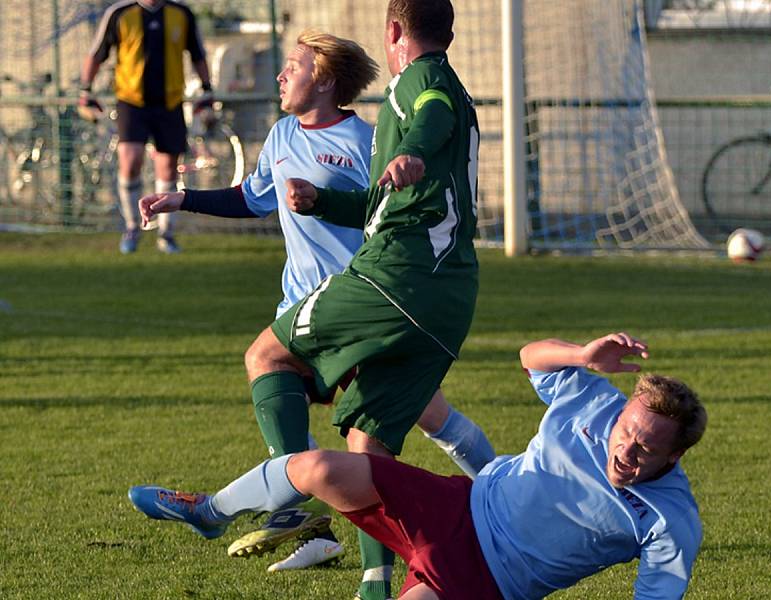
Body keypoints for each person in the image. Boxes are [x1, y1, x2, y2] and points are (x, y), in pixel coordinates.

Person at [137, 27, 493, 586]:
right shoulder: (281, 136)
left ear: (324, 80)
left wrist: (331, 200)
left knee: (415, 425)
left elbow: (382, 211)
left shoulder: (366, 141)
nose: (281, 76)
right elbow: (251, 198)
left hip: (362, 301)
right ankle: (324, 532)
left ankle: (498, 488)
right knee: (366, 442)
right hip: (309, 305)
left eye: (294, 67)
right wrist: (183, 200)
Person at [130, 331, 708, 600]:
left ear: (675, 457)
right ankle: (210, 511)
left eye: (646, 450)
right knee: (318, 469)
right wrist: (581, 355)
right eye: (628, 433)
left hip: (485, 581)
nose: (626, 450)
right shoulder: (597, 402)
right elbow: (531, 358)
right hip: (454, 503)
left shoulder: (669, 521)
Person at [78, 0, 213, 254]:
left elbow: (198, 55)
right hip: (132, 103)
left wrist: (208, 91)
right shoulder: (119, 13)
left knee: (167, 167)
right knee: (130, 159)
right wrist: (86, 90)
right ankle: (132, 226)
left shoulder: (181, 13)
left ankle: (166, 233)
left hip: (170, 103)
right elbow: (97, 54)